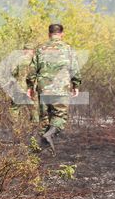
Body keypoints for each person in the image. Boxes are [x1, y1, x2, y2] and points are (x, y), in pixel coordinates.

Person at [27, 24, 81, 153]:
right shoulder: (68, 49)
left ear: (49, 34)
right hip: (61, 88)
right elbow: (75, 69)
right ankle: (49, 136)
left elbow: (32, 69)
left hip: (43, 87)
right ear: (62, 34)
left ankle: (40, 149)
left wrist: (30, 86)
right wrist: (76, 85)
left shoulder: (40, 49)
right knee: (60, 116)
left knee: (44, 117)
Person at [9, 43, 39, 124]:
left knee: (15, 107)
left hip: (19, 87)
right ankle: (35, 127)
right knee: (34, 108)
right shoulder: (36, 60)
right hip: (33, 88)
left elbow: (13, 72)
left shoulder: (18, 59)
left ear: (25, 50)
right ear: (32, 51)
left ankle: (15, 127)